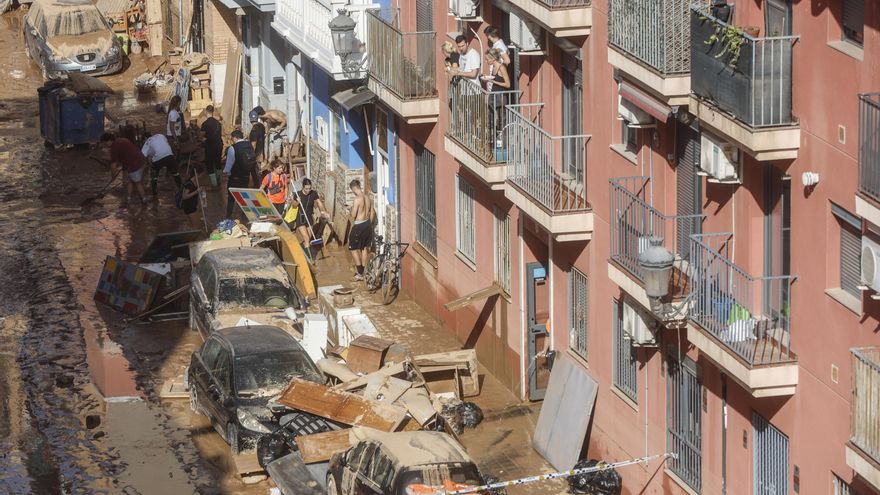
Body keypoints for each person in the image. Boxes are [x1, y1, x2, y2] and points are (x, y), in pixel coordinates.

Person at [101, 132, 148, 205]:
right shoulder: (122, 140)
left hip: (134, 164)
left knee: (137, 183)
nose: (106, 145)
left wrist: (113, 177)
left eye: (105, 142)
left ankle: (144, 199)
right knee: (129, 181)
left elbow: (113, 165)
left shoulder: (114, 147)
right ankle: (128, 199)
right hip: (141, 160)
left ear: (109, 140)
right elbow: (124, 155)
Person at [223, 129, 257, 219]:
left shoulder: (233, 148)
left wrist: (225, 172)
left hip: (235, 177)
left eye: (232, 138)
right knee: (244, 197)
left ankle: (228, 216)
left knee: (231, 198)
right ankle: (245, 216)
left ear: (235, 138)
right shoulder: (249, 145)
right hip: (246, 176)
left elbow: (229, 165)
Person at [481, 48, 511, 150]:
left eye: (487, 59)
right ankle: (491, 144)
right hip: (493, 96)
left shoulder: (501, 68)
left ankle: (503, 147)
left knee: (501, 122)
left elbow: (507, 84)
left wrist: (494, 82)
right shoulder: (493, 67)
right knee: (490, 121)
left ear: (493, 59)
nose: (486, 61)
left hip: (500, 98)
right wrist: (488, 78)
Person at [293, 178, 329, 257]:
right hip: (300, 217)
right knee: (306, 237)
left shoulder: (313, 193)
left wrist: (323, 211)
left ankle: (304, 250)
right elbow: (294, 206)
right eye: (306, 189)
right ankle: (309, 258)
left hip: (309, 217)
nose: (308, 190)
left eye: (309, 188)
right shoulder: (298, 194)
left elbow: (319, 203)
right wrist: (297, 202)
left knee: (309, 238)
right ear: (303, 187)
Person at [348, 179, 375, 281]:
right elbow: (372, 212)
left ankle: (359, 272)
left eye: (352, 190)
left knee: (353, 248)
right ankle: (365, 271)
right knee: (364, 248)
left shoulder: (357, 199)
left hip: (359, 226)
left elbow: (353, 215)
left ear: (354, 188)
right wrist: (370, 224)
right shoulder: (367, 197)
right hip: (367, 224)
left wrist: (350, 209)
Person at [141, 131, 180, 197]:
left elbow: (142, 156)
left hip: (158, 159)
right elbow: (163, 145)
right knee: (175, 172)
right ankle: (181, 187)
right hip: (169, 155)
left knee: (154, 176)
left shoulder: (147, 141)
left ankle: (154, 193)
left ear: (145, 138)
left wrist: (143, 169)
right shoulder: (160, 135)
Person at [200, 105, 223, 184]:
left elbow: (201, 136)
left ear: (206, 112)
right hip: (219, 145)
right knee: (218, 163)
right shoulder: (218, 123)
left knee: (209, 164)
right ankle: (218, 179)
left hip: (210, 146)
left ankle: (214, 184)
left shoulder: (205, 124)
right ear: (213, 112)